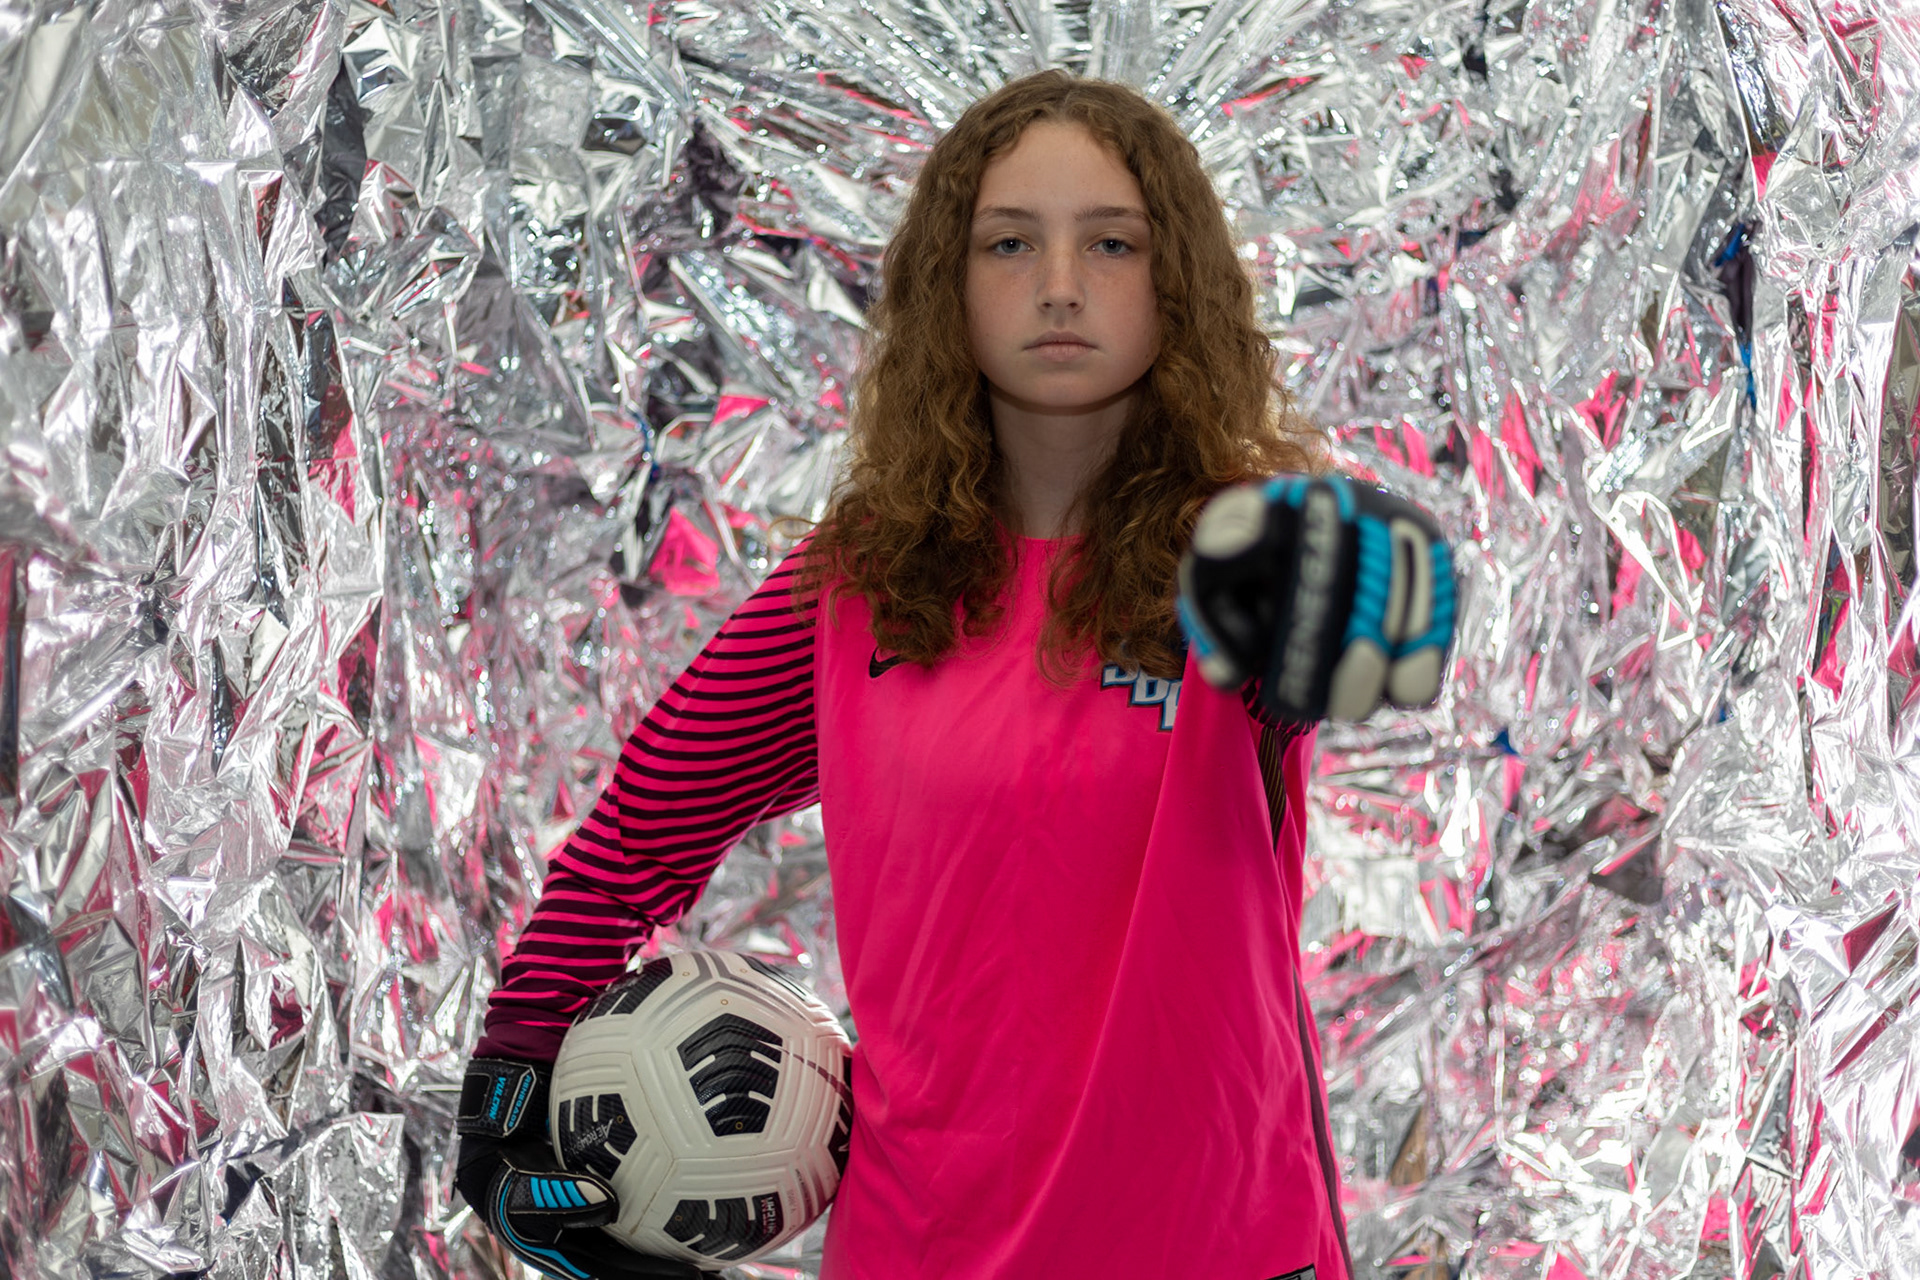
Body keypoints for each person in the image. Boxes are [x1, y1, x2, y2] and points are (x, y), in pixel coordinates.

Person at [452, 69, 1454, 1280]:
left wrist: (1375, 568)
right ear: (949, 284)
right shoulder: (857, 585)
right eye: (1009, 243)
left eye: (1114, 242)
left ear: (1175, 278)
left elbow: (1373, 578)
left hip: (1226, 1252)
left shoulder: (1234, 558)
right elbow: (636, 839)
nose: (1061, 285)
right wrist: (510, 1072)